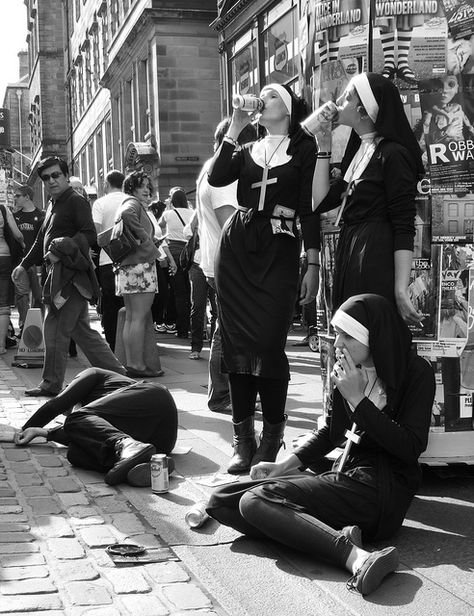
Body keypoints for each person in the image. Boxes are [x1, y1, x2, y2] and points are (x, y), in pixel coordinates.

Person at [207, 294, 436, 596]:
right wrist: (282, 467)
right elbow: (332, 432)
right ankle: (330, 535)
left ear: (375, 337)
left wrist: (358, 399)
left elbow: (410, 447)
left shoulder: (416, 372)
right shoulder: (348, 366)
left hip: (383, 491)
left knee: (255, 502)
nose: (338, 342)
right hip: (349, 476)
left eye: (348, 336)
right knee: (221, 501)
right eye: (336, 332)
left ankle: (357, 557)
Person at [208, 83, 319, 473]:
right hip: (237, 245)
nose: (262, 99)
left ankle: (272, 438)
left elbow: (309, 208)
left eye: (271, 95)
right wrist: (235, 126)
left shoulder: (304, 148)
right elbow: (217, 178)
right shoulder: (245, 147)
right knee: (237, 347)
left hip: (279, 248)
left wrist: (313, 263)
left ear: (287, 109)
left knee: (270, 344)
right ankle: (243, 441)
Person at [313, 72, 424, 324]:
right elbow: (319, 202)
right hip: (351, 249)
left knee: (367, 334)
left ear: (363, 111)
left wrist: (400, 288)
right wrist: (324, 147)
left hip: (375, 255)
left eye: (348, 96)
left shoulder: (393, 154)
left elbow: (404, 225)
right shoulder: (360, 151)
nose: (339, 100)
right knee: (352, 335)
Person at [11, 156, 126, 397]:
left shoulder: (75, 201)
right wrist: (23, 265)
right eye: (45, 178)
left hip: (70, 277)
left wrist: (59, 250)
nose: (51, 180)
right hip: (60, 277)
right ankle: (121, 379)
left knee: (54, 328)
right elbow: (41, 237)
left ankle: (52, 383)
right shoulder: (54, 203)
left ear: (65, 176)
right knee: (82, 332)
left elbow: (89, 235)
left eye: (55, 175)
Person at [14, 367, 177, 486]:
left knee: (76, 418)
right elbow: (88, 432)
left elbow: (55, 406)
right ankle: (142, 466)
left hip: (154, 397)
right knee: (75, 453)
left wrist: (21, 432)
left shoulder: (92, 374)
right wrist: (40, 432)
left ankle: (130, 447)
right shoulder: (102, 414)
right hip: (161, 444)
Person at [195, 117, 256, 412]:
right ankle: (221, 394)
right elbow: (232, 224)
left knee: (226, 328)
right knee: (228, 331)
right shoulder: (223, 175)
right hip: (227, 263)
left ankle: (224, 391)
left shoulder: (210, 168)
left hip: (217, 260)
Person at [115, 170, 162, 378]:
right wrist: (147, 240)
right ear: (132, 186)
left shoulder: (128, 201)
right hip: (140, 266)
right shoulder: (132, 203)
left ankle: (133, 363)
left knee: (132, 317)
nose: (146, 189)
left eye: (148, 186)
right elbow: (127, 215)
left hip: (128, 266)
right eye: (142, 185)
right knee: (138, 318)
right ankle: (137, 364)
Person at [91, 169, 126, 351]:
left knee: (111, 305)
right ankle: (128, 346)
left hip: (107, 260)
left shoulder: (100, 203)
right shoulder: (130, 201)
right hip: (130, 260)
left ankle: (113, 345)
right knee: (129, 305)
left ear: (106, 184)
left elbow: (97, 234)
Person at [159, 188, 193, 338]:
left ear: (172, 201)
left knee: (178, 292)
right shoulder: (192, 213)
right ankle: (188, 326)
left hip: (174, 253)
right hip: (190, 254)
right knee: (189, 291)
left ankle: (181, 329)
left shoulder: (168, 214)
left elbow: (159, 227)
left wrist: (168, 207)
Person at [183, 212, 217, 360]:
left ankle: (216, 346)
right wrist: (198, 212)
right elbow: (187, 233)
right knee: (197, 307)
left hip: (217, 267)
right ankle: (196, 347)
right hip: (198, 267)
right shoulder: (200, 216)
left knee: (217, 310)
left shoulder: (222, 214)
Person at [12, 185, 44, 333]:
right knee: (22, 295)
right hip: (21, 262)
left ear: (27, 197)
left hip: (38, 263)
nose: (15, 198)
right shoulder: (15, 217)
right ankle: (25, 326)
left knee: (39, 296)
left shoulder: (41, 215)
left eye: (18, 195)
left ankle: (37, 325)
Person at [0, 202, 24, 354]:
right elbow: (18, 234)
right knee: (3, 303)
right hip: (3, 257)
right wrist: (23, 244)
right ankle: (1, 345)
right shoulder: (3, 209)